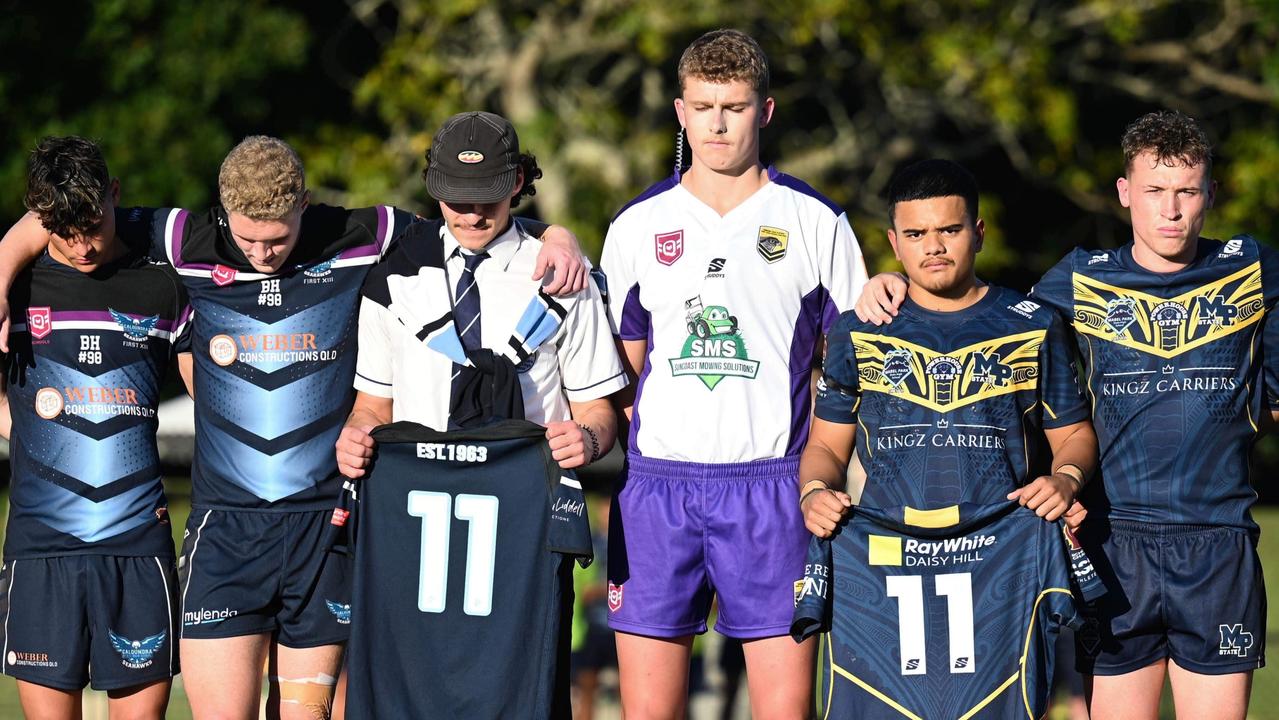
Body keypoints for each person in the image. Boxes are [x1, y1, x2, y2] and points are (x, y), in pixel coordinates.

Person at [0, 134, 588, 719]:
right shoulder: (185, 241)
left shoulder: (362, 236)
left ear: (304, 204)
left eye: (278, 237)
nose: (262, 253)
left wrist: (553, 235)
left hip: (322, 528)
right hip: (225, 531)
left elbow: (470, 226)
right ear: (222, 211)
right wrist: (2, 271)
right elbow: (62, 212)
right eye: (247, 236)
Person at [854, 112, 1276, 719]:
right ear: (1125, 192)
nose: (1171, 210)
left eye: (1187, 191)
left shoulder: (1256, 269)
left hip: (1219, 541)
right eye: (1154, 191)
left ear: (1211, 192)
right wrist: (892, 284)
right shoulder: (1078, 279)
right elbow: (985, 320)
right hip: (1110, 539)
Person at [598, 29, 868, 719]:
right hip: (657, 490)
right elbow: (617, 377)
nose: (718, 122)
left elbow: (849, 369)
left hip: (773, 490)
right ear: (680, 111)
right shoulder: (636, 225)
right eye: (704, 105)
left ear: (765, 112)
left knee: (782, 710)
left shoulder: (814, 221)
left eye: (735, 106)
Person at [333, 110, 624, 717]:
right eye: (455, 199)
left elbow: (600, 408)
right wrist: (355, 439)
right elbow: (370, 407)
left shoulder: (565, 275)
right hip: (413, 528)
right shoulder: (393, 278)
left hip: (523, 528)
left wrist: (587, 440)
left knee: (523, 692)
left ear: (518, 182)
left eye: (487, 196)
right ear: (434, 188)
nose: (471, 214)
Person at [0, 136, 192, 719]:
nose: (82, 246)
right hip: (41, 547)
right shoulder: (20, 286)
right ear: (40, 219)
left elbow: (209, 399)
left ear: (114, 195)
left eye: (93, 226)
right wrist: (20, 429)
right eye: (64, 232)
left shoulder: (164, 285)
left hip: (138, 543)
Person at [799, 158, 1096, 534]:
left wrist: (1066, 479)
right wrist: (814, 493)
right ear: (894, 243)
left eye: (950, 230)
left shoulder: (1035, 325)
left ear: (979, 233)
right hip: (889, 555)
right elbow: (825, 446)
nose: (933, 246)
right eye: (915, 234)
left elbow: (1074, 433)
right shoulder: (858, 331)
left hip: (1003, 547)